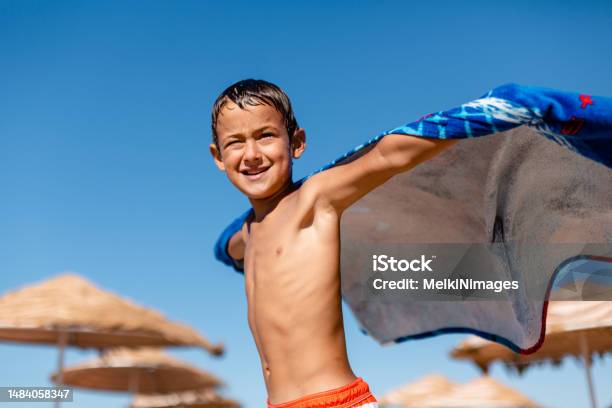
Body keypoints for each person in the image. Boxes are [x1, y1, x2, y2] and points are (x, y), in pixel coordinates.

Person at [209, 79, 457, 407]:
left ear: (296, 142)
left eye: (265, 136)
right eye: (235, 142)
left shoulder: (314, 199)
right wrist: (226, 245)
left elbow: (386, 156)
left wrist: (486, 114)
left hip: (337, 402)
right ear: (218, 157)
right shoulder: (248, 231)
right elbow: (228, 249)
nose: (252, 154)